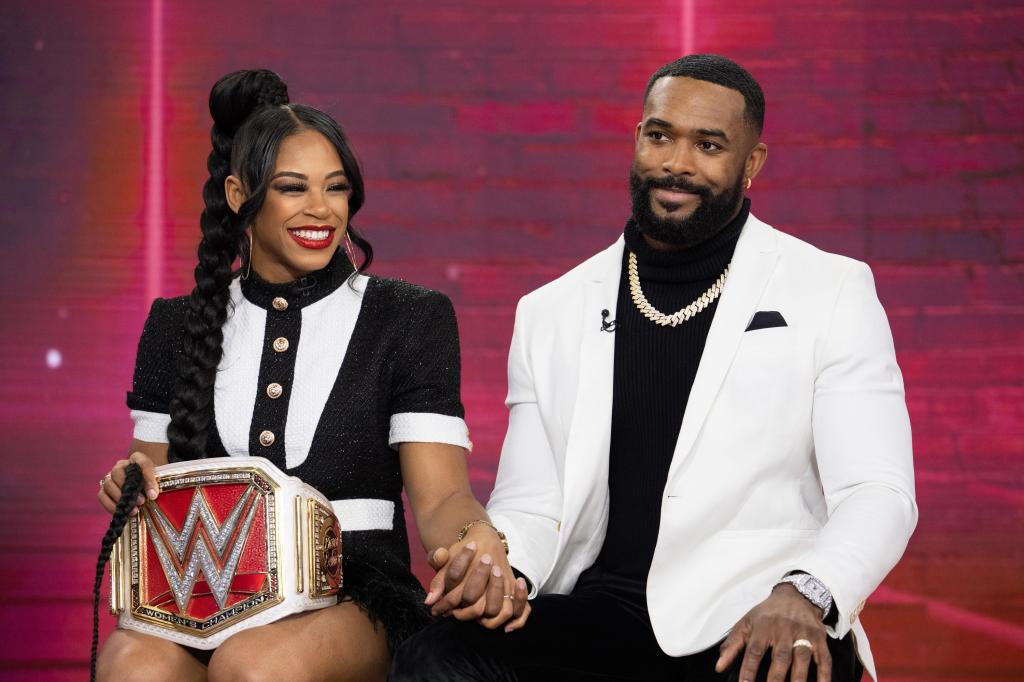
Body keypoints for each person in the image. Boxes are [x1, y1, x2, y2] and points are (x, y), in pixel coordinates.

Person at [392, 54, 918, 682]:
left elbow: (878, 493)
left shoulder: (830, 290)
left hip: (754, 608)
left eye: (709, 144)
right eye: (660, 135)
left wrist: (805, 592)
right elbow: (533, 501)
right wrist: (500, 564)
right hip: (599, 611)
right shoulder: (551, 310)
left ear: (752, 164)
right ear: (637, 139)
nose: (677, 163)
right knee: (436, 660)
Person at [94, 69, 527, 682]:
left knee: (253, 668)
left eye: (337, 188)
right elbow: (152, 471)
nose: (321, 210)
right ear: (241, 193)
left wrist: (476, 538)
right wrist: (131, 482)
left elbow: (442, 498)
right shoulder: (176, 323)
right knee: (130, 664)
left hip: (358, 590)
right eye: (293, 188)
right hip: (205, 597)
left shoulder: (408, 316)